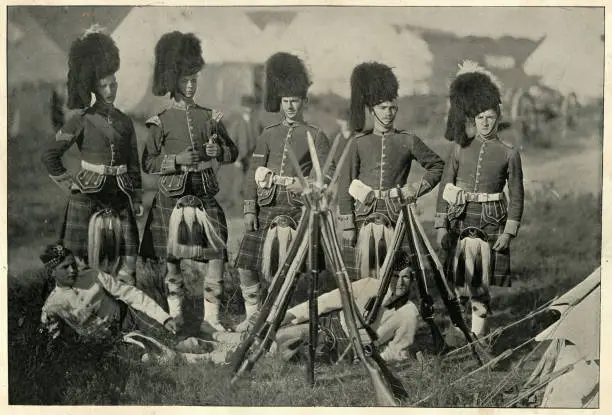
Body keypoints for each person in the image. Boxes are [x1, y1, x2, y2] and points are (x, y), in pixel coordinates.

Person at [139, 31, 239, 334]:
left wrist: (217, 151)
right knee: (172, 260)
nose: (191, 85)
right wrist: (177, 161)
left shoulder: (210, 117)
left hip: (205, 194)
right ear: (173, 81)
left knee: (217, 253)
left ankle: (211, 319)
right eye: (185, 80)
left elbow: (232, 151)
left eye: (195, 79)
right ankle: (178, 317)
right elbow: (147, 163)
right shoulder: (160, 121)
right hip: (171, 197)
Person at [234, 52, 333, 332]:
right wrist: (250, 209)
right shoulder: (267, 134)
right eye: (285, 101)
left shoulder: (315, 135)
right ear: (280, 100)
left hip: (295, 210)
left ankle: (279, 317)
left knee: (286, 269)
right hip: (266, 208)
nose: (290, 107)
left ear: (303, 101)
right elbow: (254, 173)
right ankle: (253, 315)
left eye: (295, 101)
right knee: (245, 264)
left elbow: (328, 172)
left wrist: (308, 185)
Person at [41, 25, 143, 285]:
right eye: (104, 86)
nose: (111, 91)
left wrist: (137, 197)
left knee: (129, 264)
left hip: (121, 196)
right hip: (86, 196)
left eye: (113, 85)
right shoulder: (80, 120)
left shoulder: (125, 121)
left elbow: (133, 163)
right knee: (77, 266)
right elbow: (50, 155)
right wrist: (70, 184)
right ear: (95, 88)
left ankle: (123, 318)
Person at [434, 60, 525, 340]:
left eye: (490, 117)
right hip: (461, 219)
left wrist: (509, 232)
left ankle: (479, 338)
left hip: (492, 221)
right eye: (480, 117)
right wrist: (441, 225)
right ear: (472, 118)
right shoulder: (460, 149)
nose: (485, 122)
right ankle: (458, 336)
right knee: (459, 281)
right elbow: (445, 186)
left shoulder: (510, 153)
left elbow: (518, 194)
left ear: (497, 117)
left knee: (480, 285)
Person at [337, 62, 445, 281]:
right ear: (371, 110)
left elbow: (437, 166)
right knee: (360, 279)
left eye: (392, 108)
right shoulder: (358, 143)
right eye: (382, 108)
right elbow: (344, 183)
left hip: (398, 217)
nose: (388, 113)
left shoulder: (407, 140)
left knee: (400, 276)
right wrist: (348, 225)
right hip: (362, 216)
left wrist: (416, 189)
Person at [39, 243, 177, 343]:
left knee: (167, 338)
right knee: (149, 356)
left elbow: (128, 293)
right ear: (52, 272)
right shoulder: (52, 306)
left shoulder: (92, 275)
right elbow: (52, 340)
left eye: (73, 264)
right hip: (108, 343)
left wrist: (164, 317)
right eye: (65, 267)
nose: (72, 270)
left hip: (129, 318)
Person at [274, 274, 419, 363]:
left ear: (412, 279)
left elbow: (400, 346)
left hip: (347, 346)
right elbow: (328, 300)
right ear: (387, 275)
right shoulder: (369, 284)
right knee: (279, 338)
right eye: (395, 276)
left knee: (294, 357)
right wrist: (291, 314)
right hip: (330, 324)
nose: (400, 282)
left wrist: (379, 358)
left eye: (405, 277)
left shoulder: (408, 310)